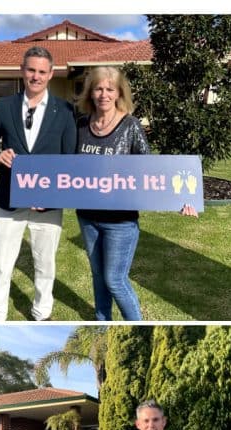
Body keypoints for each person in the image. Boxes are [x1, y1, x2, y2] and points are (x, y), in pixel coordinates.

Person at [75, 66, 197, 321]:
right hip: (87, 217)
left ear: (119, 92)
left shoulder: (130, 126)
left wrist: (180, 200)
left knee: (114, 279)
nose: (104, 94)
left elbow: (150, 173)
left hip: (120, 222)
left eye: (110, 89)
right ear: (90, 92)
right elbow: (63, 169)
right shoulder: (81, 125)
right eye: (98, 88)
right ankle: (103, 322)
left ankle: (137, 326)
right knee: (98, 276)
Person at [0, 46, 76, 322]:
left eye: (42, 71)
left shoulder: (65, 111)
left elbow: (69, 159)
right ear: (23, 71)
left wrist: (54, 194)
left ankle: (42, 312)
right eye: (31, 70)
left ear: (50, 74)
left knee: (45, 263)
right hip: (10, 199)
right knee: (1, 263)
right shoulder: (4, 106)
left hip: (49, 203)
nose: (36, 76)